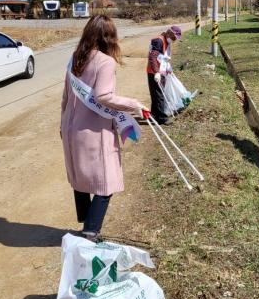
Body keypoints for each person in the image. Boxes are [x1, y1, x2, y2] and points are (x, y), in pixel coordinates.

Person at [60, 15, 148, 241]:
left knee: (80, 173)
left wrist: (63, 124)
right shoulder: (105, 61)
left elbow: (66, 96)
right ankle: (90, 232)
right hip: (93, 131)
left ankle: (85, 217)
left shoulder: (75, 58)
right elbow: (104, 96)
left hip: (71, 127)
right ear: (109, 37)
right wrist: (135, 105)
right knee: (105, 181)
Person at [146, 25, 182, 125]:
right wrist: (156, 72)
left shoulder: (166, 41)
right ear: (169, 33)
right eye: (174, 37)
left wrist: (168, 68)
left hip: (161, 71)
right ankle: (162, 118)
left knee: (156, 94)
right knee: (159, 95)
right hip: (154, 72)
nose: (174, 40)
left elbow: (164, 57)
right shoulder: (159, 41)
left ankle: (153, 115)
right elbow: (153, 57)